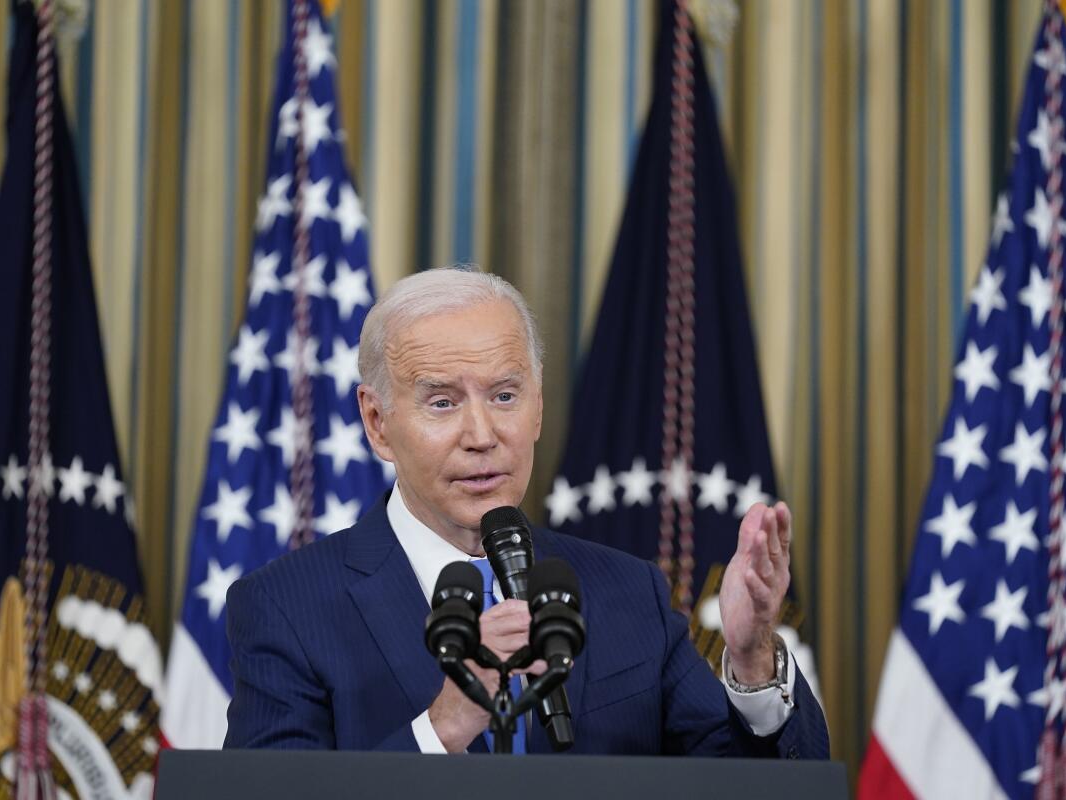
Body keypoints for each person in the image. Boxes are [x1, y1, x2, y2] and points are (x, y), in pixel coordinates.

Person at [224, 266, 829, 757]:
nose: (482, 434)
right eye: (442, 402)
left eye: (505, 395)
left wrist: (751, 661)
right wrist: (442, 728)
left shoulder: (629, 592)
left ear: (538, 408)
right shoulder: (286, 607)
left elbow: (747, 792)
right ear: (378, 425)